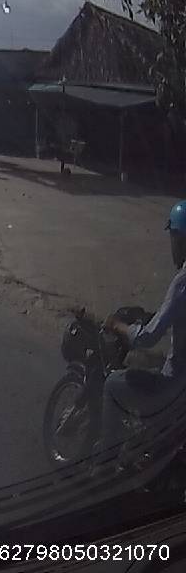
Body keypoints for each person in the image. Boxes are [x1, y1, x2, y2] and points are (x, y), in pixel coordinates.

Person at [98, 200, 186, 466]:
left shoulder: (182, 282)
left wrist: (118, 326)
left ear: (180, 238)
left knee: (112, 384)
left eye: (173, 238)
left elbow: (147, 338)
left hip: (174, 389)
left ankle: (105, 464)